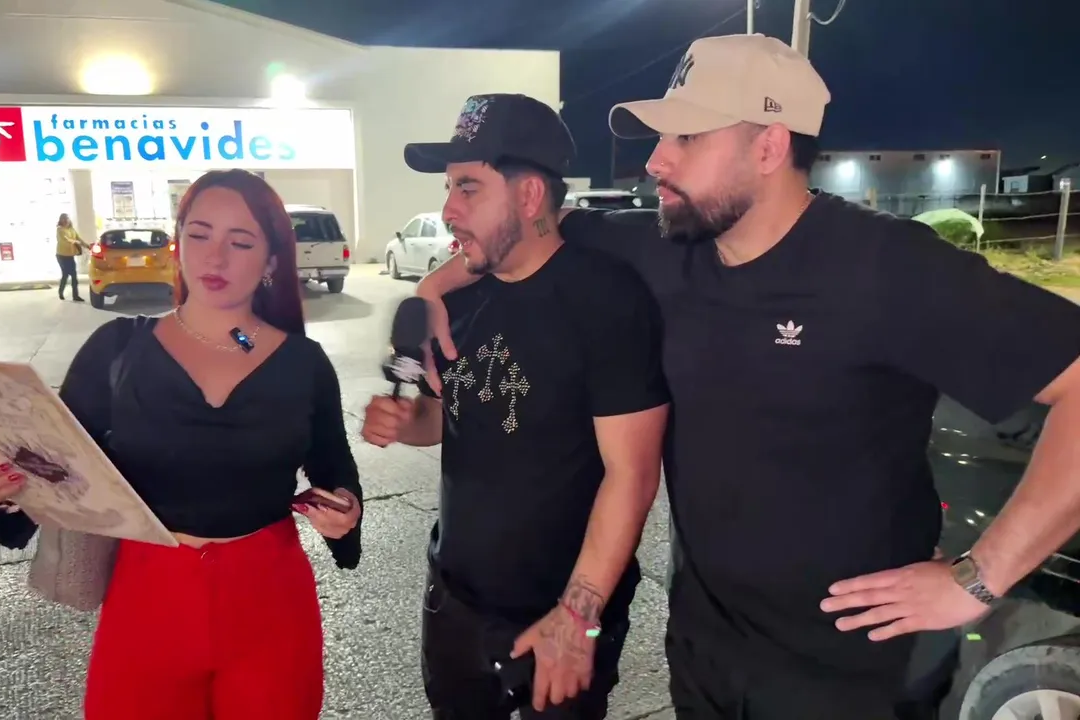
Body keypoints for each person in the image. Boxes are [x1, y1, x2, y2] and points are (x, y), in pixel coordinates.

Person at [418, 35, 1080, 720]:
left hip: (848, 678)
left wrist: (978, 578)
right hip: (704, 658)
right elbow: (523, 231)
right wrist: (432, 289)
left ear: (768, 146)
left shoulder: (884, 266)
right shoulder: (660, 246)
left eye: (686, 137)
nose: (656, 160)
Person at [0, 169, 364, 720]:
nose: (215, 256)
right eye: (199, 234)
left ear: (271, 260)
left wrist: (345, 510)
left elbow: (334, 469)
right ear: (179, 242)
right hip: (146, 603)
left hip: (270, 603)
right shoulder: (117, 351)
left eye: (241, 241)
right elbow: (47, 475)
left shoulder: (302, 363)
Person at [361, 93, 670, 719]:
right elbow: (447, 417)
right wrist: (407, 421)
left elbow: (632, 474)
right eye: (449, 188)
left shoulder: (606, 302)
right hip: (453, 603)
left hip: (558, 616)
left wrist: (577, 617)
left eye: (468, 188)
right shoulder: (456, 302)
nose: (448, 210)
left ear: (529, 197)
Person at [55, 213, 85, 302]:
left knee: (74, 276)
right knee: (65, 274)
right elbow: (66, 240)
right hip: (61, 256)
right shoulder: (60, 229)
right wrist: (76, 242)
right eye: (63, 219)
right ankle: (61, 292)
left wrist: (87, 246)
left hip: (70, 256)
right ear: (61, 220)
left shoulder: (72, 229)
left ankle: (75, 296)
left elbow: (79, 239)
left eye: (67, 218)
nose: (65, 220)